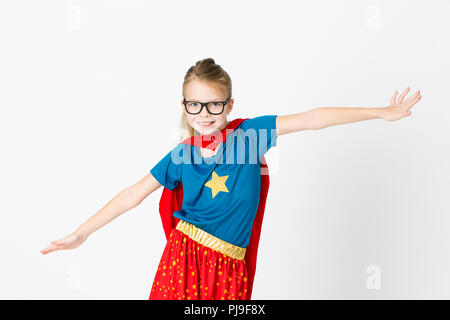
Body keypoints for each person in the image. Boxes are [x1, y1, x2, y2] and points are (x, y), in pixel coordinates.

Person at [40, 58, 422, 300]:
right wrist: (82, 232)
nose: (204, 113)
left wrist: (381, 112)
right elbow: (132, 195)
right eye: (195, 104)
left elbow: (312, 119)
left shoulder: (249, 136)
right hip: (184, 258)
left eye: (214, 104)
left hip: (228, 266)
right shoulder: (182, 155)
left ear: (230, 104)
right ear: (184, 106)